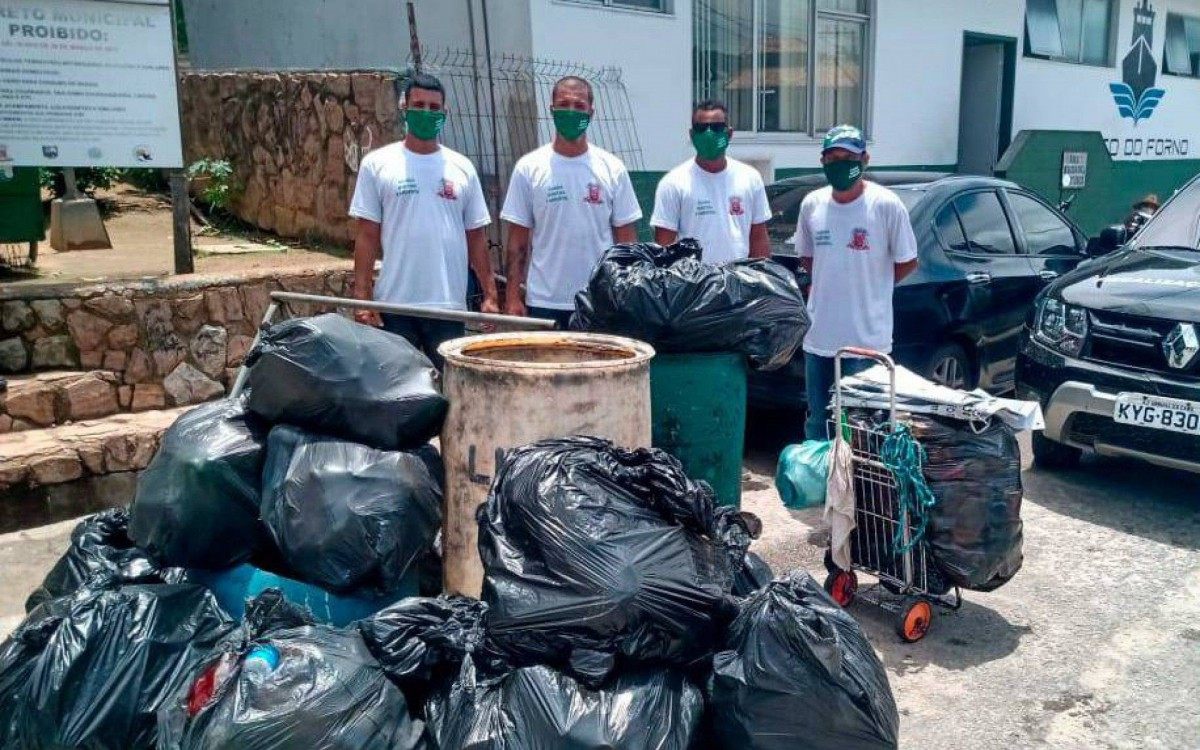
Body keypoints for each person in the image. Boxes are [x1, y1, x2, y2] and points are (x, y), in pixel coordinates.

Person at [348, 72, 499, 369]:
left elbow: (477, 239)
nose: (426, 113)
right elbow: (367, 236)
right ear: (404, 108)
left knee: (449, 393)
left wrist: (490, 295)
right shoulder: (378, 165)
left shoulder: (462, 168)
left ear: (444, 113)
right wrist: (362, 298)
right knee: (395, 392)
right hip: (394, 305)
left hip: (447, 307)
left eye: (434, 108)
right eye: (419, 106)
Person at [793, 125, 919, 441]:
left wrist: (871, 285)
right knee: (818, 425)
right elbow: (808, 258)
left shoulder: (886, 205)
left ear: (864, 159)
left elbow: (907, 262)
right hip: (819, 338)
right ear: (822, 161)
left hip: (866, 343)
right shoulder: (812, 204)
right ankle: (820, 489)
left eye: (847, 156)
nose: (839, 163)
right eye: (832, 157)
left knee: (862, 433)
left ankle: (856, 492)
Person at [501, 75, 643, 328]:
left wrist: (628, 298)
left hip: (599, 301)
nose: (571, 111)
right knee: (548, 369)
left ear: (591, 112)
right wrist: (512, 296)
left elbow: (627, 243)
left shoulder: (612, 169)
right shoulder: (529, 168)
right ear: (552, 109)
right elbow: (517, 243)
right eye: (563, 104)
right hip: (545, 302)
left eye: (579, 106)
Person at [650, 99, 771, 263]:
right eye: (702, 128)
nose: (709, 134)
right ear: (692, 135)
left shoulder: (750, 178)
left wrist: (761, 280)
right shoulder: (673, 183)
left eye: (716, 128)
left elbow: (758, 240)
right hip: (694, 284)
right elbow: (664, 248)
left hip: (739, 281)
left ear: (729, 133)